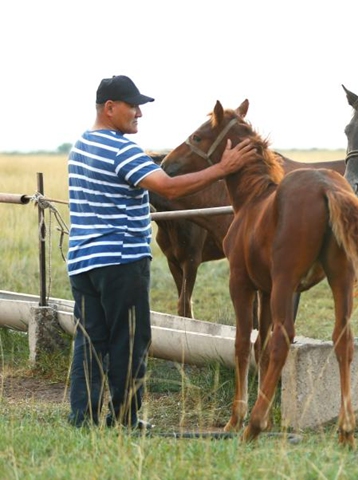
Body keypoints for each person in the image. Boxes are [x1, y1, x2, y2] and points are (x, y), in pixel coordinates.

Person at [66, 75, 257, 429]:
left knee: (90, 340)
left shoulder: (81, 146)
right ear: (110, 108)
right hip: (121, 261)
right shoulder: (121, 149)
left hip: (83, 262)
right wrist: (222, 169)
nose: (139, 113)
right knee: (131, 339)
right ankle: (125, 420)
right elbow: (167, 187)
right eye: (133, 106)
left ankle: (83, 419)